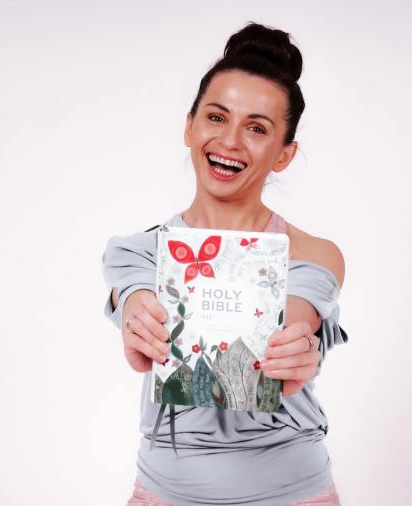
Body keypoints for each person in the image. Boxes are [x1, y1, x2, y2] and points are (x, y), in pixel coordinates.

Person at [100, 23, 350, 505]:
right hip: (164, 494)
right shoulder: (138, 251)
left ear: (284, 154)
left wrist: (293, 347)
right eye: (217, 117)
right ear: (189, 126)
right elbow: (133, 293)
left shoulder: (312, 253)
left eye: (256, 128)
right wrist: (138, 317)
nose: (231, 141)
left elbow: (298, 314)